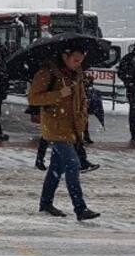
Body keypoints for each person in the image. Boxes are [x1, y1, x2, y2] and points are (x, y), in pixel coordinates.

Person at [29, 43, 101, 221]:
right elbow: (33, 98)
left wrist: (82, 117)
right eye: (75, 60)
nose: (78, 63)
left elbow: (81, 100)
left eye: (81, 60)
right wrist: (59, 94)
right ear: (64, 57)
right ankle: (80, 208)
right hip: (55, 128)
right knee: (73, 164)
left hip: (72, 128)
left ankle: (46, 203)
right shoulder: (48, 73)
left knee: (56, 167)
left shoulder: (77, 75)